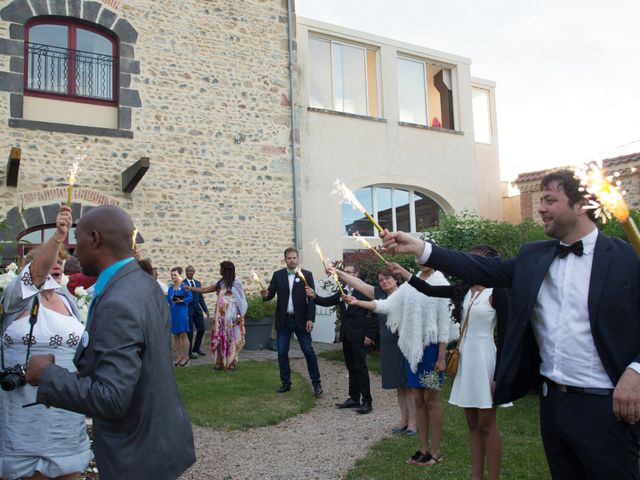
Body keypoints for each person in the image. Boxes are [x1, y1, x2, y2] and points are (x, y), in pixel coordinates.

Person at [380, 169, 640, 479]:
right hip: (552, 403)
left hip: (607, 406)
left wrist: (636, 370)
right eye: (540, 199)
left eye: (550, 200)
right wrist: (422, 248)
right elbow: (478, 265)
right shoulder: (533, 256)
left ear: (581, 203)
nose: (540, 207)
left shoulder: (626, 258)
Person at [25, 205, 196, 480]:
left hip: (135, 454)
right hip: (159, 438)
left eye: (77, 240)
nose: (75, 252)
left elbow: (113, 397)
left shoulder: (117, 301)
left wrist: (47, 376)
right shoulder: (145, 283)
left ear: (94, 239)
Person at [389, 245, 510, 480]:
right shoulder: (465, 290)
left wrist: (500, 376)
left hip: (485, 359)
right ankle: (476, 476)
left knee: (487, 424)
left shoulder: (498, 292)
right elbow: (429, 290)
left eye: (475, 261)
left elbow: (507, 335)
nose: (469, 265)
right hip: (466, 359)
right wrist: (404, 272)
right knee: (472, 424)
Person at [0, 205, 92, 480]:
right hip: (25, 405)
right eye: (50, 259)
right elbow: (37, 276)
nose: (57, 263)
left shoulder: (68, 301)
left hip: (66, 407)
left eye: (61, 260)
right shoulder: (18, 297)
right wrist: (58, 235)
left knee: (70, 471)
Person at [343, 264, 455, 467]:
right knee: (419, 399)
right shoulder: (411, 284)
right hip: (411, 350)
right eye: (419, 256)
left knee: (431, 399)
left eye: (425, 255)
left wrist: (441, 356)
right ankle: (423, 449)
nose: (421, 259)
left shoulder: (440, 283)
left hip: (430, 351)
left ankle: (436, 451)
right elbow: (387, 305)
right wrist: (357, 301)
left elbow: (444, 323)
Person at [333, 266, 417, 435]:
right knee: (399, 386)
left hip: (406, 343)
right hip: (389, 344)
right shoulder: (378, 293)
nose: (384, 282)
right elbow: (358, 283)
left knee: (408, 385)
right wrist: (337, 272)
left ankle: (413, 424)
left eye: (388, 278)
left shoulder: (405, 293)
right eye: (381, 280)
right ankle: (403, 420)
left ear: (396, 279)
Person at [305, 264, 378, 414]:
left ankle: (367, 401)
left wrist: (370, 334)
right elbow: (327, 301)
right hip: (346, 335)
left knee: (360, 368)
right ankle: (353, 398)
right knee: (351, 367)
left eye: (350, 273)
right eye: (345, 273)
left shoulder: (364, 292)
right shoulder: (342, 290)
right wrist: (314, 296)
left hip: (360, 335)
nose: (347, 275)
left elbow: (376, 313)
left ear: (356, 275)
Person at [260, 247, 322, 398]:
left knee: (308, 351)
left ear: (297, 258)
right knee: (281, 353)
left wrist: (310, 319)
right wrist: (265, 295)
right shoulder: (278, 275)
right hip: (284, 320)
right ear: (285, 259)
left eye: (294, 258)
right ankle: (286, 383)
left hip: (301, 320)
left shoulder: (306, 275)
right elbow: (270, 294)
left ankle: (316, 383)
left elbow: (311, 299)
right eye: (289, 258)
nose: (292, 260)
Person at [187, 261, 247, 371]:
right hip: (220, 316)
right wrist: (191, 288)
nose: (220, 271)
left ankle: (231, 362)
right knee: (219, 337)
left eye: (221, 269)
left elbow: (241, 300)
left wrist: (239, 315)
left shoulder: (236, 283)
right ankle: (219, 362)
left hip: (232, 315)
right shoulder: (220, 283)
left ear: (227, 270)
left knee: (231, 338)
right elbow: (204, 290)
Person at [168, 266, 193, 367]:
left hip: (182, 312)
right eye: (172, 275)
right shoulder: (170, 288)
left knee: (183, 334)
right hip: (173, 312)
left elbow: (190, 297)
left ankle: (186, 356)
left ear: (179, 275)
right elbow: (169, 300)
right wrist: (170, 298)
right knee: (175, 335)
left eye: (175, 275)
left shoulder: (184, 286)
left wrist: (182, 300)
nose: (173, 277)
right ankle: (178, 356)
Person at [184, 264, 209, 359]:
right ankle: (189, 352)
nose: (189, 272)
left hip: (197, 311)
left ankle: (196, 348)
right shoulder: (183, 283)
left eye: (191, 271)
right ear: (186, 273)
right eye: (188, 271)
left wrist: (205, 310)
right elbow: (180, 298)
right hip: (188, 311)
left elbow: (201, 298)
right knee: (189, 332)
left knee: (202, 329)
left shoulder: (198, 283)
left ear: (194, 272)